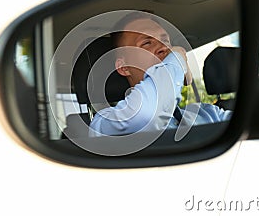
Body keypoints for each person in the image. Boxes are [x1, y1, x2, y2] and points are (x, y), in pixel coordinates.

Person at [89, 11, 231, 137]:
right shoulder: (106, 123)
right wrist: (176, 61)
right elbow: (146, 115)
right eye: (147, 43)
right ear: (124, 67)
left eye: (165, 41)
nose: (164, 48)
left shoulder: (209, 115)